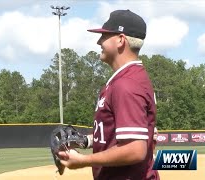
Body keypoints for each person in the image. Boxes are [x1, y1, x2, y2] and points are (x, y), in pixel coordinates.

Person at [58, 9, 160, 180]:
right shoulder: (125, 80)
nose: (99, 41)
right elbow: (113, 136)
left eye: (105, 36)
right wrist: (85, 141)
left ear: (121, 40)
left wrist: (83, 161)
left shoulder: (126, 85)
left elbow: (135, 149)